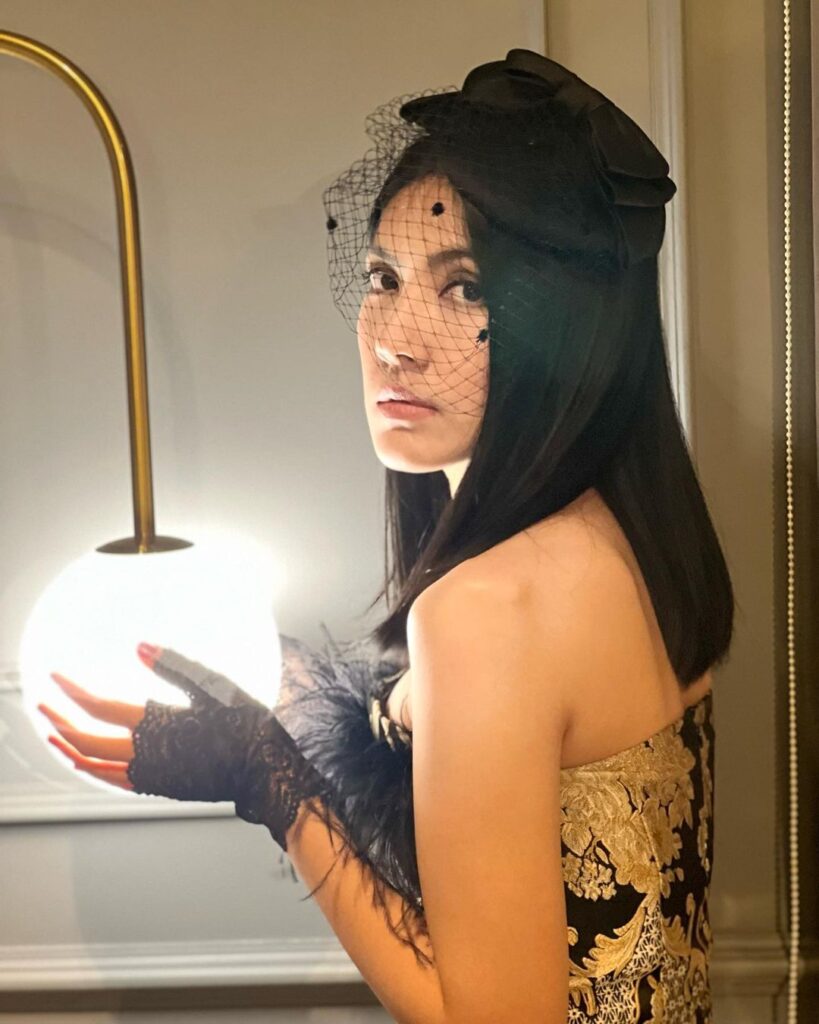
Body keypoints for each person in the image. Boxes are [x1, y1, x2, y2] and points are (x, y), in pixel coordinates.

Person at [38, 49, 732, 1024]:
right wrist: (303, 693)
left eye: (465, 289)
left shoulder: (486, 608)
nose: (396, 339)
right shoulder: (621, 537)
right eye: (384, 276)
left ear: (567, 324)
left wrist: (270, 782)